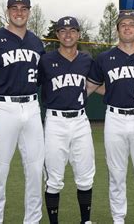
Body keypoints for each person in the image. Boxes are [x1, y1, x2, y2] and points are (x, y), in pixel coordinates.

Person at [0, 0, 45, 223]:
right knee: (0, 171)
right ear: (7, 11)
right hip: (4, 108)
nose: (19, 12)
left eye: (24, 8)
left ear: (29, 12)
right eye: (14, 7)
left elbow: (43, 77)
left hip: (32, 107)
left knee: (35, 170)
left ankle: (32, 220)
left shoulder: (36, 42)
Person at [87, 12, 134, 224]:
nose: (127, 28)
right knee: (116, 173)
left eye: (131, 25)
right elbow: (90, 87)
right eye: (123, 25)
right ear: (118, 30)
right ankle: (118, 218)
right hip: (114, 118)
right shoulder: (104, 58)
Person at [38, 16, 95, 224]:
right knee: (53, 178)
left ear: (79, 34)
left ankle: (85, 221)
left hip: (80, 121)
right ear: (57, 35)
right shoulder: (45, 60)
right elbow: (27, 81)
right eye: (63, 30)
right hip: (55, 121)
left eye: (72, 30)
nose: (68, 34)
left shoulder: (87, 60)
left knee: (85, 175)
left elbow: (98, 84)